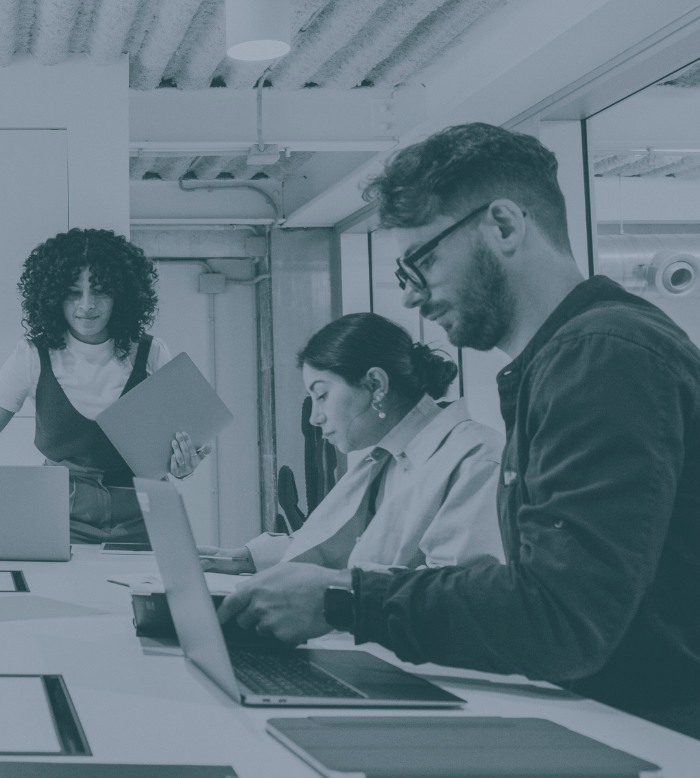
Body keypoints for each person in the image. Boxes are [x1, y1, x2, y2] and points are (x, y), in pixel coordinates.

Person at [218, 122, 700, 739]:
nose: (414, 298)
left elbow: (560, 617)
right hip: (612, 725)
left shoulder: (603, 354)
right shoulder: (565, 361)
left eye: (422, 261)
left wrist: (341, 601)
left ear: (503, 225)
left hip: (659, 745)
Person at [0, 228, 206, 545]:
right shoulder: (31, 357)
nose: (87, 305)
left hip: (146, 517)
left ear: (122, 294)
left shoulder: (152, 353)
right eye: (73, 292)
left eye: (100, 291)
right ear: (54, 295)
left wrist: (184, 466)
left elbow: (187, 447)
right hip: (60, 519)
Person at [201, 312, 503, 574]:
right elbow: (344, 546)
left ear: (376, 385)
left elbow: (460, 594)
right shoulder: (388, 459)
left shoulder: (477, 460)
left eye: (322, 396)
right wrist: (248, 559)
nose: (314, 418)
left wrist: (328, 589)